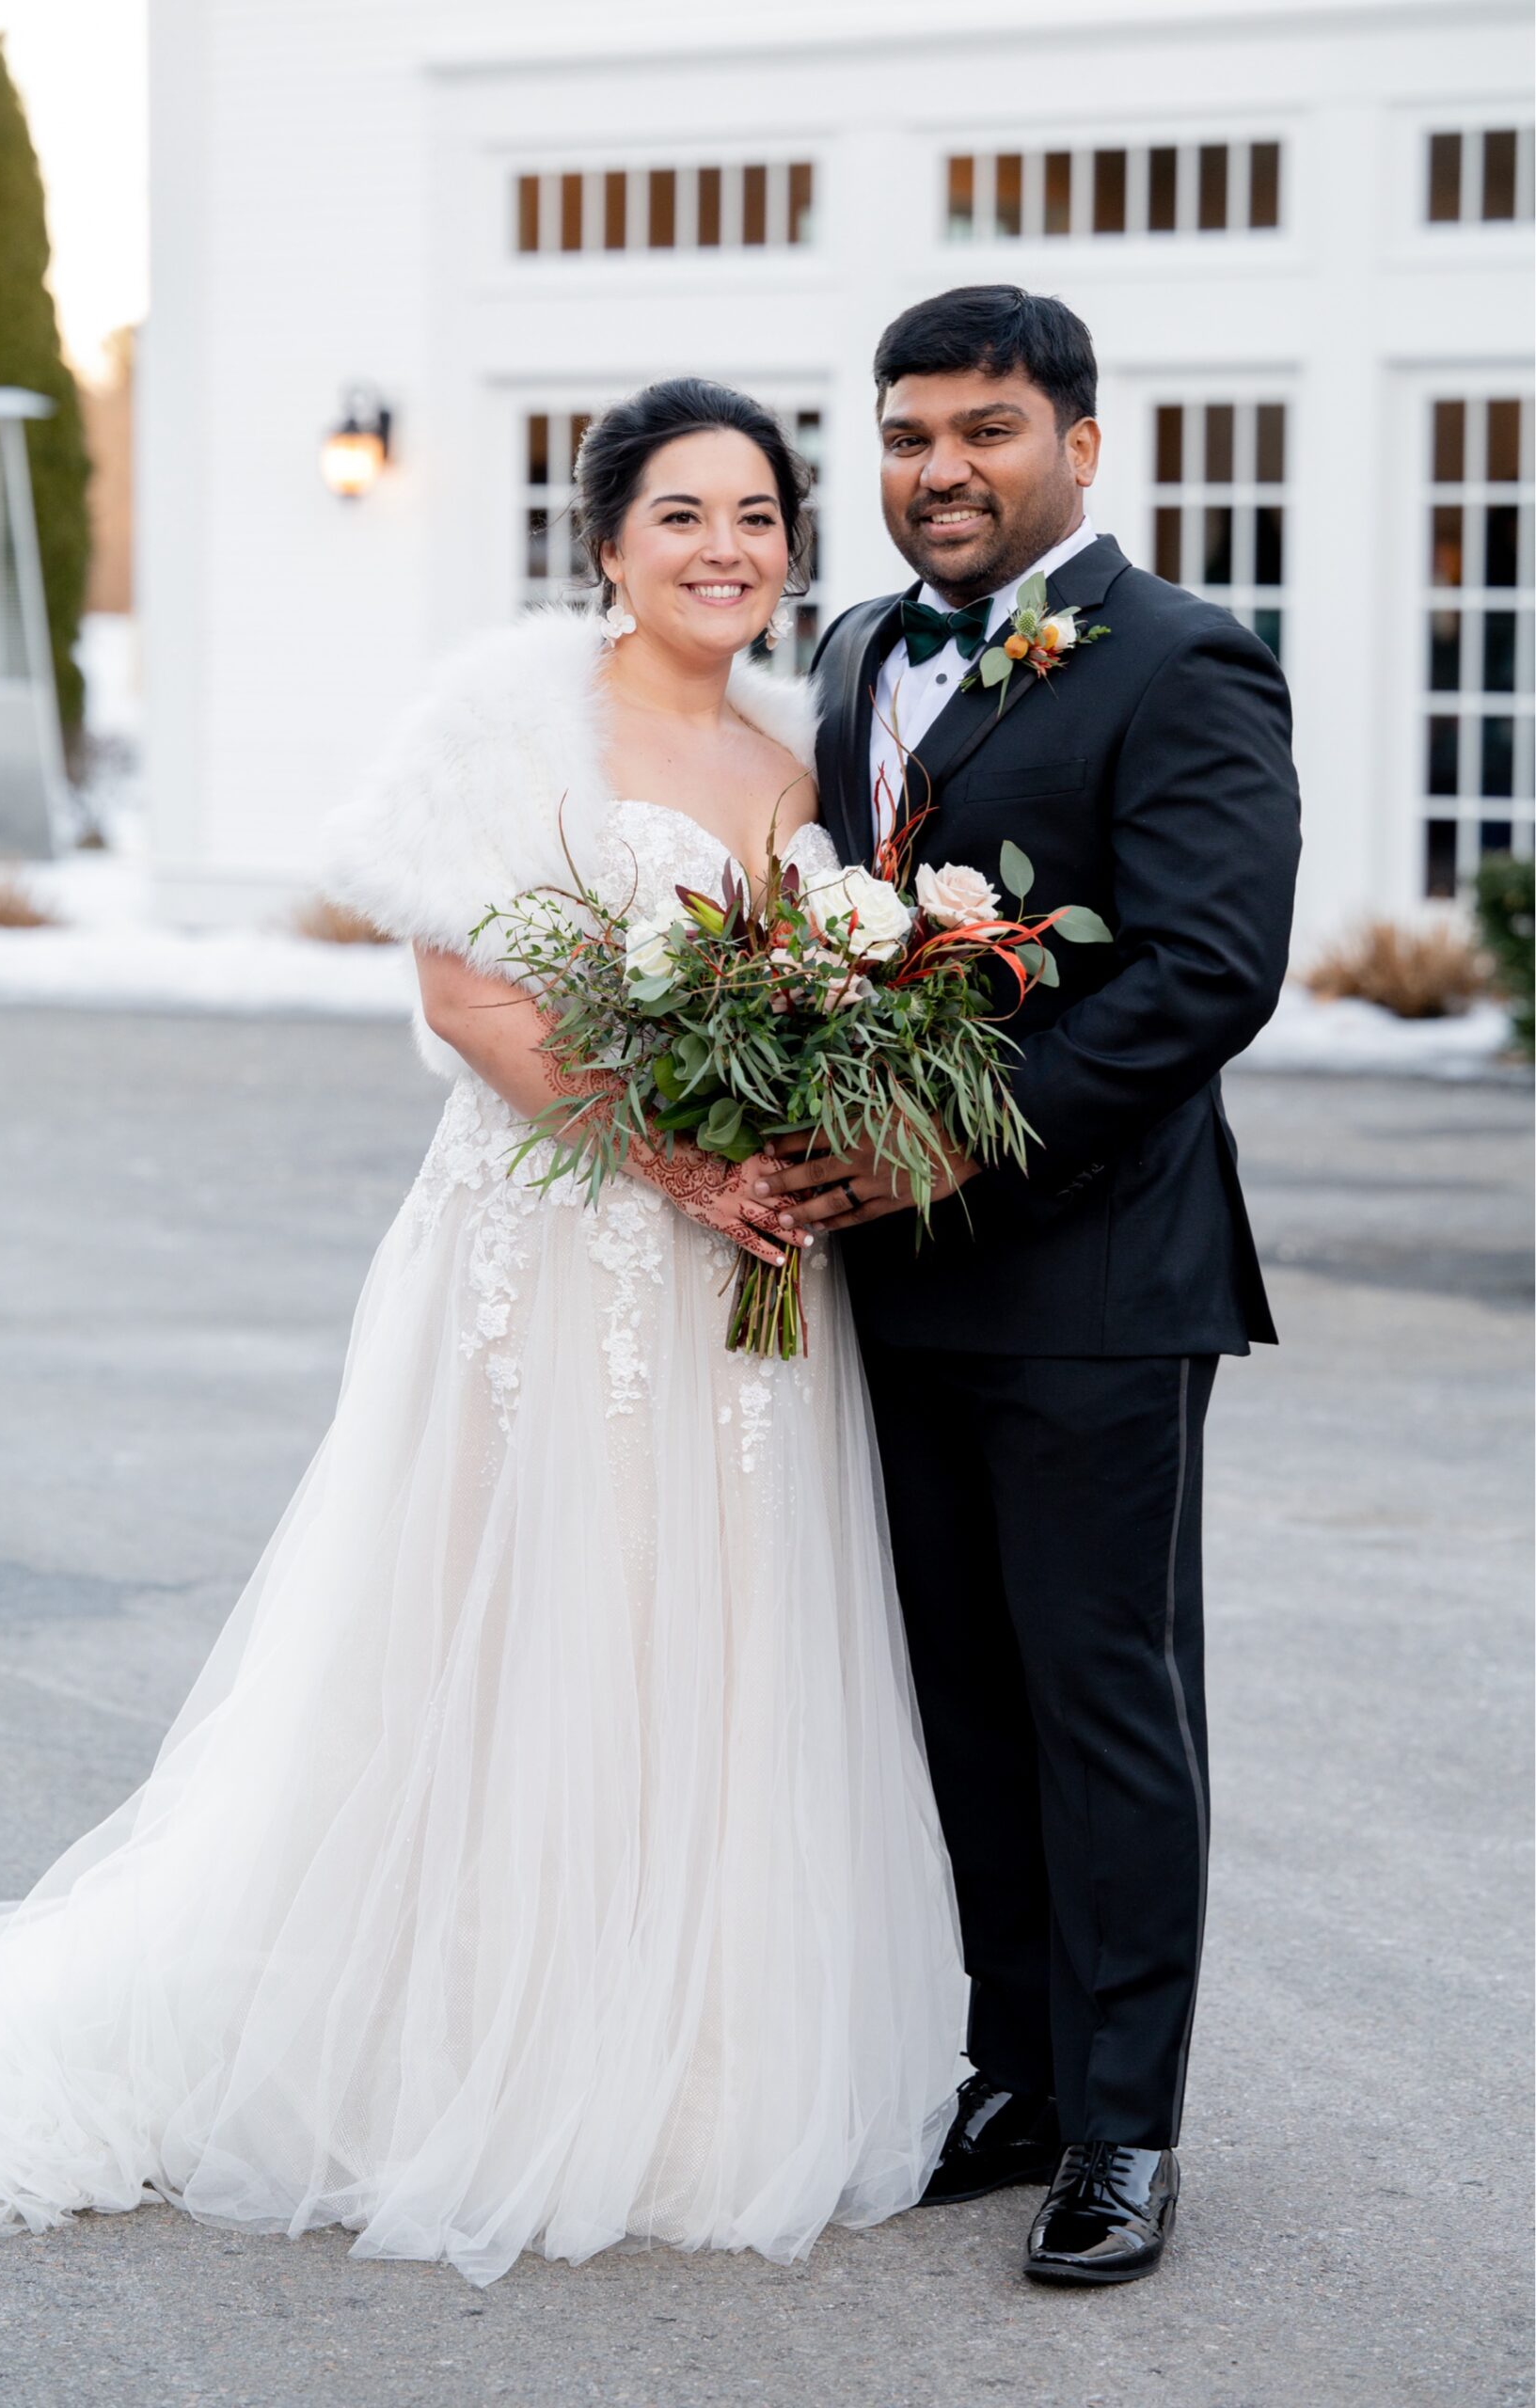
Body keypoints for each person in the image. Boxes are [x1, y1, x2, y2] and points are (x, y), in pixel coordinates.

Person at [0, 380, 966, 2286]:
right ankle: (451, 2035)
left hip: (742, 1282)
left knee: (705, 1628)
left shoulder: (782, 759)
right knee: (508, 1615)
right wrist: (675, 1162)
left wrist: (801, 1150)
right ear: (602, 540)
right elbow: (473, 997)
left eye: (755, 514)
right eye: (679, 514)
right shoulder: (509, 713)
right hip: (553, 1242)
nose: (723, 547)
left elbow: (807, 998)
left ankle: (681, 2044)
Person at [758, 287, 1302, 2285]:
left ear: (1078, 437)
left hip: (1091, 1270)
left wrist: (945, 1140)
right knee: (953, 1692)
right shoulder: (842, 655)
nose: (938, 470)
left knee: (1102, 1700)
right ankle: (1012, 2070)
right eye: (907, 436)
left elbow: (1198, 970)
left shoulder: (1180, 658)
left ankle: (1125, 2129)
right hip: (878, 1283)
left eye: (982, 429)